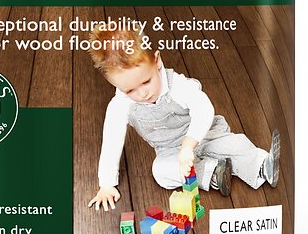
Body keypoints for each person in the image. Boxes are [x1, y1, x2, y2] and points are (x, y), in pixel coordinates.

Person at [87, 27, 280, 211]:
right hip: (169, 149)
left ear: (157, 61)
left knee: (233, 145)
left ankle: (262, 166)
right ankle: (214, 173)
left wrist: (189, 145)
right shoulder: (120, 105)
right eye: (129, 90)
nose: (143, 94)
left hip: (205, 134)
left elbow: (204, 109)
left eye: (146, 81)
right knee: (161, 172)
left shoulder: (177, 85)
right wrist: (106, 184)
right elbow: (112, 141)